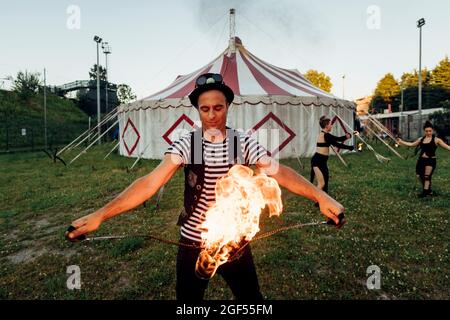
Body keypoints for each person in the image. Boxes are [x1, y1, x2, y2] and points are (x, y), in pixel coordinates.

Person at [65, 73, 346, 301]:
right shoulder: (189, 144)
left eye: (218, 107)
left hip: (235, 241)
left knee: (252, 301)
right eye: (205, 108)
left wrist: (320, 196)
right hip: (192, 242)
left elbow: (280, 172)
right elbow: (150, 182)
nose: (212, 115)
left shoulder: (242, 142)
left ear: (227, 107)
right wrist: (100, 214)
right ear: (198, 110)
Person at [397, 120, 450, 197]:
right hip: (421, 160)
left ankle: (425, 193)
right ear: (424, 131)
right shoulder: (421, 139)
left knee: (427, 176)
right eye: (426, 131)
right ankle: (428, 189)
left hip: (430, 160)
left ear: (432, 130)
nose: (428, 133)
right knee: (419, 175)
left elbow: (448, 147)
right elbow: (411, 144)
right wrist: (401, 141)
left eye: (430, 131)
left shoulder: (436, 140)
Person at [310, 116, 354, 194]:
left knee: (325, 181)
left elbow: (337, 139)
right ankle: (317, 199)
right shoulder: (326, 135)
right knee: (321, 183)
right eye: (330, 124)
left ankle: (325, 198)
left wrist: (346, 137)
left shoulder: (326, 134)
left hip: (322, 161)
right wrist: (350, 147)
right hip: (317, 162)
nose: (331, 126)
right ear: (326, 126)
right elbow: (337, 144)